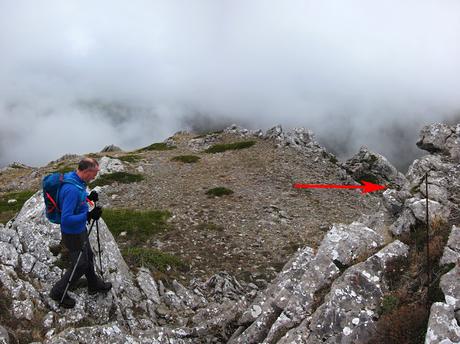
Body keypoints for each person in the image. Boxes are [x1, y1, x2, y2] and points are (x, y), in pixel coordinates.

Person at [49, 157, 112, 308]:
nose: (95, 176)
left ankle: (93, 284)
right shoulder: (71, 189)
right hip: (72, 233)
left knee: (88, 256)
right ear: (86, 171)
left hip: (80, 229)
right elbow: (66, 218)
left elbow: (78, 197)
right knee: (81, 264)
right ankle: (58, 292)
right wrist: (88, 215)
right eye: (94, 173)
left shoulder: (76, 180)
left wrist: (88, 197)